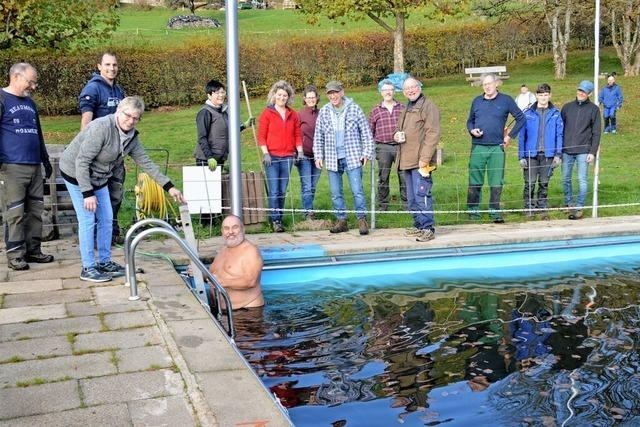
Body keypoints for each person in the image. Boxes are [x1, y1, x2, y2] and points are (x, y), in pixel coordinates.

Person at [60, 96, 186, 282]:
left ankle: (105, 262)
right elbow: (82, 160)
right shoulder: (101, 127)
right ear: (118, 111)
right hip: (76, 174)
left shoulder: (132, 137)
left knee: (107, 217)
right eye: (128, 116)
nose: (131, 121)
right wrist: (87, 193)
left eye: (136, 118)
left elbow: (146, 162)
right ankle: (88, 267)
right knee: (87, 219)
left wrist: (169, 187)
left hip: (100, 177)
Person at [0, 63, 54, 271]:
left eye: (35, 82)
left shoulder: (30, 103)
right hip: (11, 166)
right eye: (30, 81)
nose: (34, 86)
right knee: (15, 212)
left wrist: (45, 159)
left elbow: (37, 133)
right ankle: (15, 255)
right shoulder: (2, 99)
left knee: (35, 210)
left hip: (34, 164)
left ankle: (34, 250)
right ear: (15, 76)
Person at [78, 52, 127, 245]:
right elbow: (86, 120)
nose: (111, 68)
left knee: (116, 193)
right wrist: (85, 150)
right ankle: (97, 236)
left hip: (116, 154)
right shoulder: (93, 89)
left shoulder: (118, 90)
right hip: (98, 153)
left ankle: (111, 231)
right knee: (98, 195)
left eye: (114, 65)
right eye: (107, 65)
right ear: (99, 66)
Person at [314, 81, 374, 235]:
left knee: (357, 190)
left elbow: (366, 133)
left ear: (342, 92)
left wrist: (366, 152)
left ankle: (361, 219)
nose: (333, 96)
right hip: (332, 157)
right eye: (330, 93)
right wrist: (318, 155)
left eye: (335, 92)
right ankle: (342, 220)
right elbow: (318, 135)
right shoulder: (324, 111)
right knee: (335, 192)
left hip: (352, 156)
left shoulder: (354, 109)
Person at [466, 73, 525, 223]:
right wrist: (472, 130)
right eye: (484, 84)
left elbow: (521, 118)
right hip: (478, 146)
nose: (487, 86)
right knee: (475, 180)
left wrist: (509, 136)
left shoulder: (506, 100)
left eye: (489, 83)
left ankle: (494, 211)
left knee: (496, 181)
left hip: (496, 148)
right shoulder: (477, 101)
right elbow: (469, 121)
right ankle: (472, 211)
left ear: (496, 83)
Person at [395, 77, 440, 242]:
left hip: (421, 161)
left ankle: (428, 228)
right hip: (407, 160)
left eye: (413, 87)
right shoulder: (407, 106)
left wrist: (425, 159)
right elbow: (399, 128)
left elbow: (433, 133)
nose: (410, 91)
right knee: (412, 197)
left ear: (419, 87)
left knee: (422, 194)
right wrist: (396, 135)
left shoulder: (428, 106)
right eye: (407, 89)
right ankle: (418, 225)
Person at [257, 80, 303, 232]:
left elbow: (297, 134)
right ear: (274, 96)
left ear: (288, 97)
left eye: (285, 95)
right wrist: (266, 153)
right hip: (272, 157)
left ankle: (279, 218)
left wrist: (300, 151)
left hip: (288, 157)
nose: (282, 98)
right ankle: (275, 220)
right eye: (279, 95)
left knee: (282, 190)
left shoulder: (293, 114)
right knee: (275, 189)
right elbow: (261, 136)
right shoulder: (267, 113)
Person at [517, 83, 564, 220]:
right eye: (541, 95)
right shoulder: (528, 114)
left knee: (544, 182)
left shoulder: (556, 114)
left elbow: (559, 135)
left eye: (546, 95)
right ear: (536, 95)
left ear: (550, 95)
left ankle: (542, 206)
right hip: (531, 155)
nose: (543, 97)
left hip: (548, 155)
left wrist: (558, 154)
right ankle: (529, 207)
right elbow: (522, 136)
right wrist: (521, 156)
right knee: (530, 182)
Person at [561, 80, 601, 220]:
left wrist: (592, 152)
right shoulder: (567, 107)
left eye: (584, 91)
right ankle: (568, 203)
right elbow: (561, 129)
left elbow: (596, 132)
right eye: (579, 90)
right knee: (565, 178)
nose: (580, 93)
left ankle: (579, 207)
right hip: (566, 150)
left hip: (584, 150)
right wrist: (559, 149)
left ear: (589, 93)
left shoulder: (594, 109)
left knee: (582, 180)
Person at [193, 79, 254, 170]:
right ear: (209, 95)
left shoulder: (223, 112)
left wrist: (244, 126)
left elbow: (229, 131)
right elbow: (202, 137)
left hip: (220, 158)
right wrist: (209, 157)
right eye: (217, 93)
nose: (221, 95)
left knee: (219, 184)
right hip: (206, 160)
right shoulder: (205, 112)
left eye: (222, 92)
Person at [209, 215, 264, 309]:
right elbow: (211, 275)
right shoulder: (222, 251)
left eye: (235, 227)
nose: (230, 232)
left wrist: (221, 282)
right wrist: (198, 272)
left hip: (247, 313)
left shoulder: (250, 251)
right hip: (223, 311)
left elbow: (250, 281)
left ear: (243, 229)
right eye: (226, 228)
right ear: (222, 232)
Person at [369, 79, 406, 211]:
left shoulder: (402, 108)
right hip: (383, 147)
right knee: (383, 177)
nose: (388, 92)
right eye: (385, 90)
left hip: (400, 147)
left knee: (403, 175)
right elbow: (370, 130)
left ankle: (406, 204)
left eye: (390, 89)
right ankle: (383, 204)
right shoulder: (376, 110)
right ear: (381, 92)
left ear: (394, 91)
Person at [296, 85, 321, 220]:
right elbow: (295, 134)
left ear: (317, 98)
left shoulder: (322, 113)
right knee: (306, 185)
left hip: (318, 156)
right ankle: (308, 213)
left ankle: (308, 208)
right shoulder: (299, 115)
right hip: (304, 154)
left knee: (313, 185)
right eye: (308, 97)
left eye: (313, 97)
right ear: (304, 99)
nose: (311, 100)